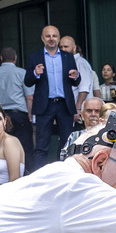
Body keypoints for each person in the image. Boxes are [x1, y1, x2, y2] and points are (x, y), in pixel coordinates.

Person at [26, 27, 81, 170]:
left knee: (67, 144)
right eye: (48, 36)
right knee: (41, 145)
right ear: (42, 38)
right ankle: (40, 176)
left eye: (54, 36)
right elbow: (27, 81)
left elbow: (76, 81)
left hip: (64, 105)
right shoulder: (35, 56)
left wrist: (76, 76)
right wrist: (35, 73)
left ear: (58, 38)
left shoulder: (68, 56)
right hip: (45, 105)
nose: (51, 38)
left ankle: (67, 174)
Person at [61, 95, 112, 161]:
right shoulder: (75, 136)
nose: (93, 114)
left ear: (104, 115)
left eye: (97, 111)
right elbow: (64, 157)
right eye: (89, 111)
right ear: (82, 115)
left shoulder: (110, 136)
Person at [59, 36, 97, 109]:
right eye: (61, 47)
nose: (63, 49)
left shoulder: (79, 62)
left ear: (74, 48)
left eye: (66, 47)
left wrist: (78, 107)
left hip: (80, 109)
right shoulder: (68, 62)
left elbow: (84, 87)